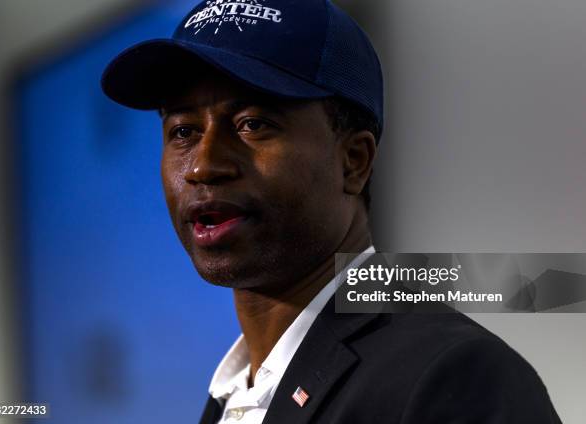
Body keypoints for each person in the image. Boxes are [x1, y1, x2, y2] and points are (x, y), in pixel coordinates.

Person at [101, 0, 562, 422]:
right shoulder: (230, 401)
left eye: (253, 124)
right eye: (182, 131)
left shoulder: (453, 376)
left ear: (353, 161)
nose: (204, 165)